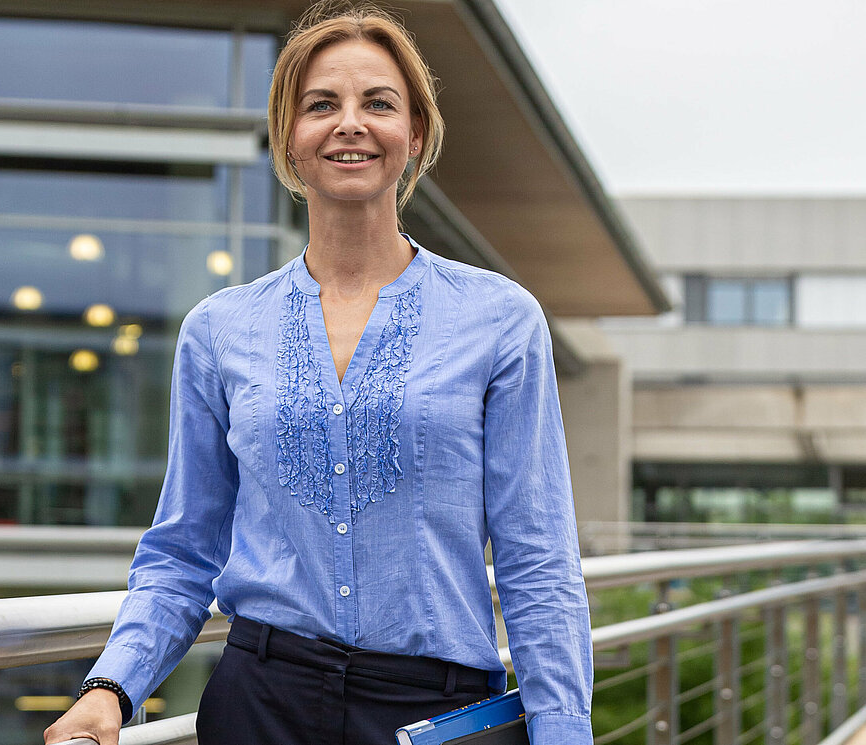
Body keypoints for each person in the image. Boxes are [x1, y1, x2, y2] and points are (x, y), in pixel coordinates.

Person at [43, 6, 592, 744]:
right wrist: (111, 685)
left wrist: (562, 730)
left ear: (416, 135)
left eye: (379, 103)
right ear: (288, 139)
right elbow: (183, 549)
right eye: (321, 104)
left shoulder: (501, 318)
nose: (350, 124)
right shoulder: (217, 330)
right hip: (259, 703)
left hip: (435, 712)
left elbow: (538, 561)